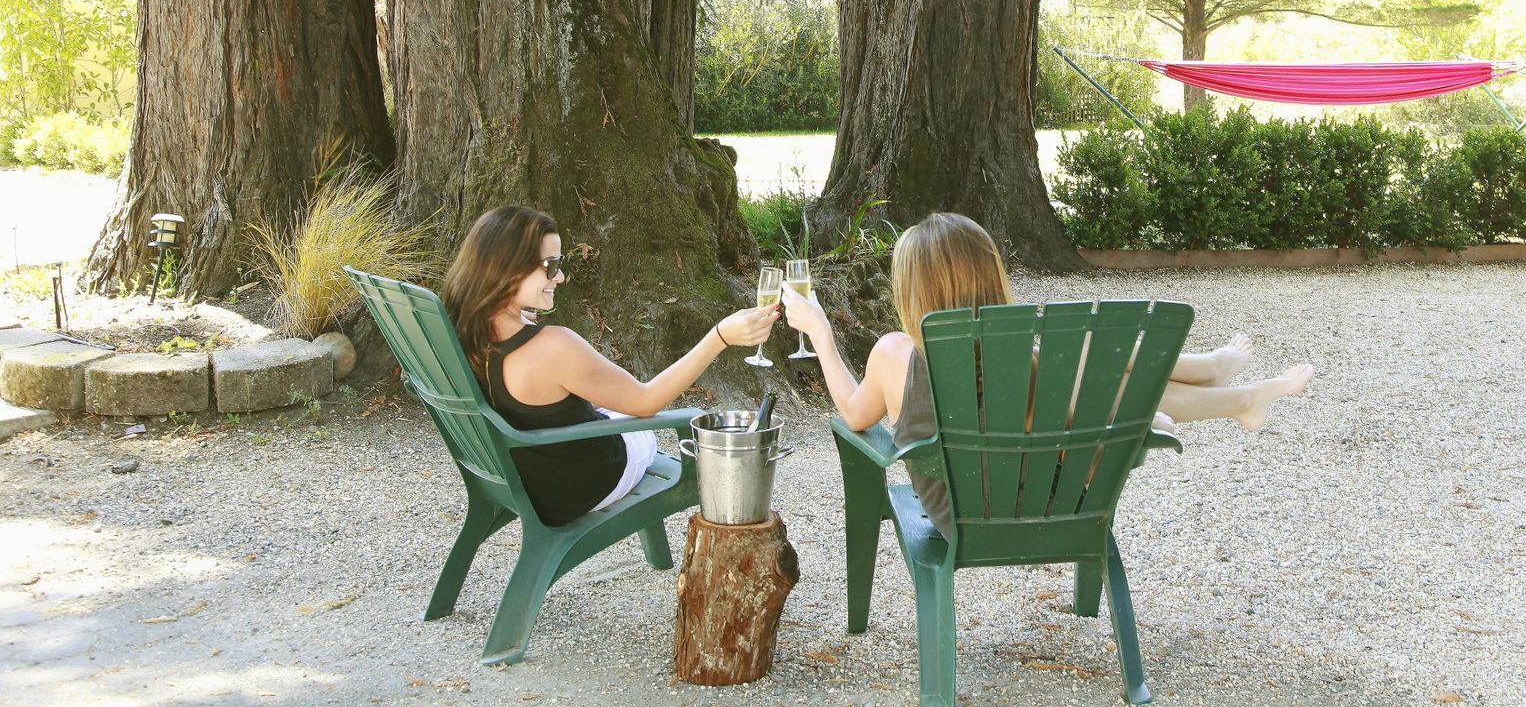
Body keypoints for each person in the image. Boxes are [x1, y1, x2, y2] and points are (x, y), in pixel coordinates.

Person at [779, 211, 1314, 538]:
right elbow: (1063, 450)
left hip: (962, 518)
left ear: (913, 291)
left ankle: (1227, 387)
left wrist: (821, 331)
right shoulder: (1024, 363)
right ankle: (1224, 382)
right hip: (1055, 507)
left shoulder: (894, 355)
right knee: (1086, 358)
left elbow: (853, 414)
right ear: (991, 279)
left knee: (1088, 366)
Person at [442, 205, 779, 526]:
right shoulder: (550, 347)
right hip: (579, 485)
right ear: (507, 268)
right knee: (637, 423)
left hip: (523, 479)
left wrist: (517, 313)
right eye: (550, 265)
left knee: (608, 404)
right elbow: (646, 402)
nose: (559, 277)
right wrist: (719, 336)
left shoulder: (462, 326)